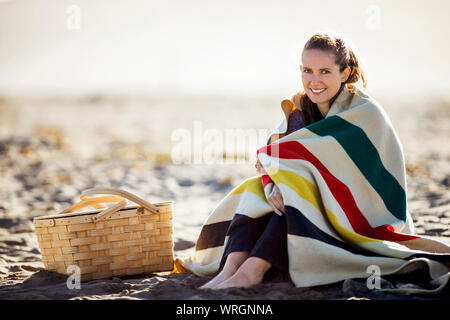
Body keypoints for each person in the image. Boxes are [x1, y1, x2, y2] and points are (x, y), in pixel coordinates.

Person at [198, 32, 367, 290]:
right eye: (308, 71)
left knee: (294, 193)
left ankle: (253, 271)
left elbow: (347, 174)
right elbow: (272, 156)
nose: (314, 81)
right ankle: (232, 268)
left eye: (325, 71)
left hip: (356, 212)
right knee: (255, 189)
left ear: (345, 73)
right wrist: (272, 181)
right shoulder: (301, 110)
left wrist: (286, 182)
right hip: (312, 201)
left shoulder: (362, 112)